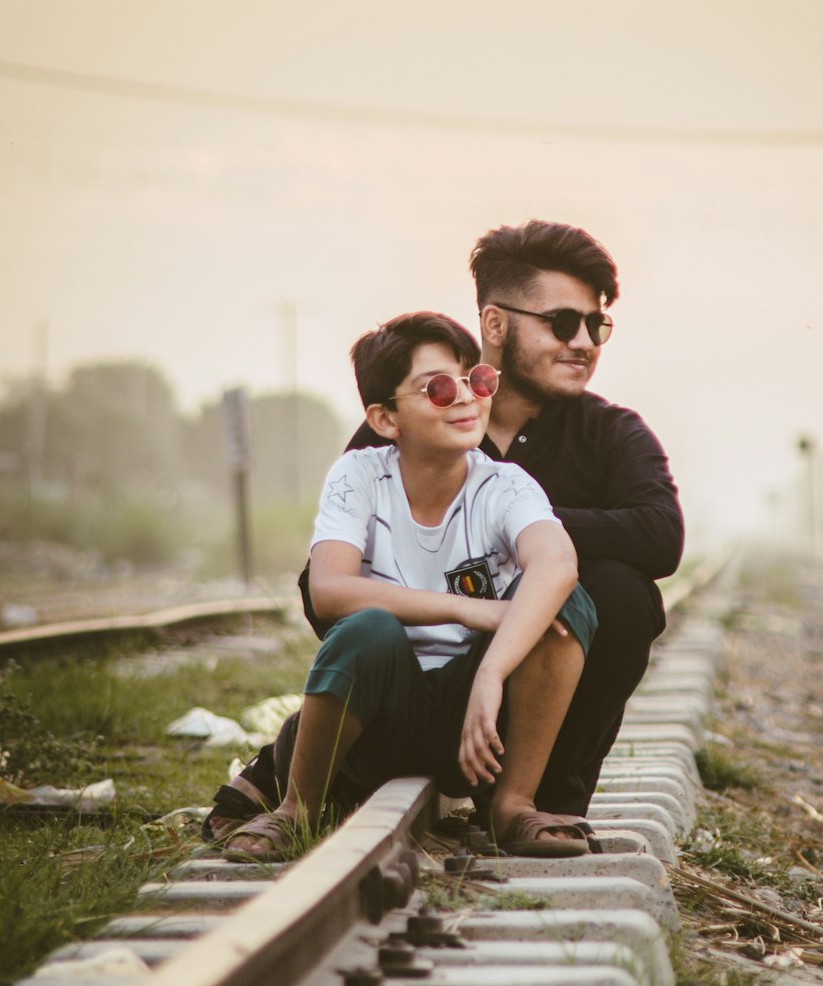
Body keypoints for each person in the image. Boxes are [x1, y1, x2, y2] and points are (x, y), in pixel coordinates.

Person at [206, 219, 682, 838]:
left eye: (598, 325)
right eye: (563, 323)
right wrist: (456, 604)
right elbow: (324, 593)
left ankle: (533, 800)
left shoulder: (608, 435)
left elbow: (658, 537)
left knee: (615, 593)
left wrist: (514, 531)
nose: (585, 342)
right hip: (413, 667)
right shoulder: (395, 442)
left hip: (522, 661)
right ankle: (305, 773)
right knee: (367, 627)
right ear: (495, 324)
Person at [221, 311, 598, 860]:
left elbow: (557, 563)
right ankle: (295, 810)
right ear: (385, 418)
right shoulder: (360, 477)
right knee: (366, 628)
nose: (467, 398)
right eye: (439, 388)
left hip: (477, 724)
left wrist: (492, 671)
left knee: (566, 606)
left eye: (478, 381)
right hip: (379, 718)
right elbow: (329, 589)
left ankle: (513, 802)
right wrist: (467, 610)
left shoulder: (504, 485)